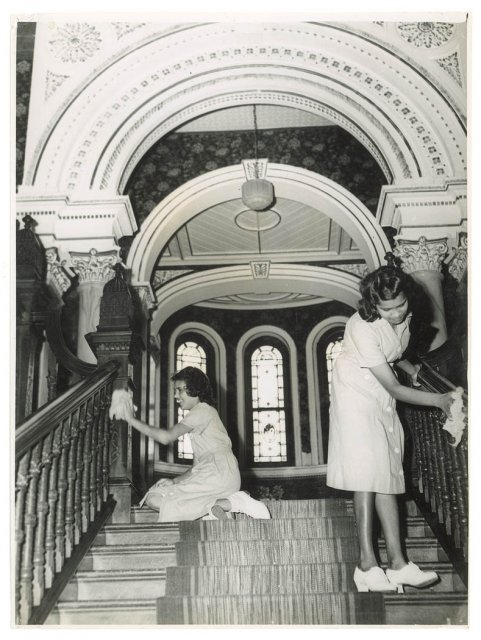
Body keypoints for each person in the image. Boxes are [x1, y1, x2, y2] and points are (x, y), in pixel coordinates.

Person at [326, 261, 457, 594]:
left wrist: (413, 368)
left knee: (387, 472)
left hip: (379, 394)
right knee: (367, 474)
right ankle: (366, 565)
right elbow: (394, 388)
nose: (397, 313)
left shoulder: (406, 315)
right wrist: (441, 400)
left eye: (401, 305)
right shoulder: (361, 325)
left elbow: (392, 353)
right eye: (388, 309)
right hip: (354, 395)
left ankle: (398, 564)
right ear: (374, 305)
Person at [109, 366, 270, 522]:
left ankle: (236, 502)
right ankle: (220, 508)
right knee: (154, 497)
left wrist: (130, 419)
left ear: (195, 389)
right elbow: (196, 467)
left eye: (180, 389)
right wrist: (175, 481)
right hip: (218, 475)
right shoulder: (203, 419)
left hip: (219, 473)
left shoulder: (202, 410)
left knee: (156, 497)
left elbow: (166, 437)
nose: (175, 395)